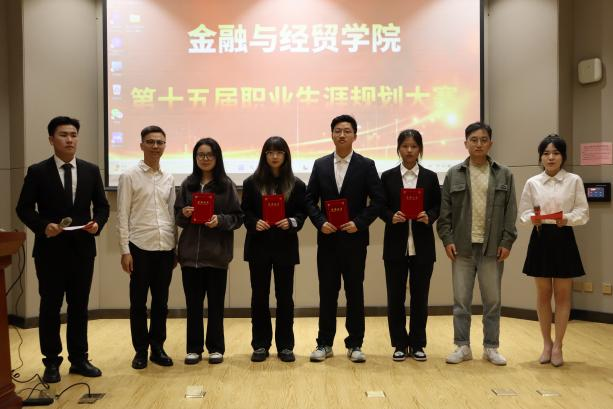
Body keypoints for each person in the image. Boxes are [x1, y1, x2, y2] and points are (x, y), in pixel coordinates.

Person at [16, 116, 110, 383]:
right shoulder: (38, 171)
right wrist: (43, 226)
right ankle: (51, 361)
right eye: (63, 135)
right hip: (50, 251)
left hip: (82, 250)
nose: (70, 140)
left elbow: (102, 206)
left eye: (73, 135)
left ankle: (79, 359)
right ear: (51, 139)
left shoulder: (91, 170)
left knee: (79, 307)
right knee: (50, 307)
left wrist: (97, 223)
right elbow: (24, 208)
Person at [437, 121, 517, 366]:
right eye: (473, 140)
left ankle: (491, 347)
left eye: (483, 140)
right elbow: (444, 214)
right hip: (462, 248)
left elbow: (510, 211)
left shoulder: (504, 173)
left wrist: (507, 241)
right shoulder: (454, 173)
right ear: (465, 143)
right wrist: (447, 239)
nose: (478, 144)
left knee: (492, 302)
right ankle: (462, 347)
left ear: (490, 143)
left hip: (492, 248)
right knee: (461, 302)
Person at [306, 114, 384, 363]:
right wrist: (321, 222)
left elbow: (378, 200)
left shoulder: (366, 165)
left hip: (354, 240)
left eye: (347, 131)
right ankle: (324, 343)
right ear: (331, 134)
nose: (342, 135)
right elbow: (309, 200)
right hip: (328, 240)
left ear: (355, 136)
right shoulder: (320, 165)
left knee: (354, 292)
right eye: (338, 131)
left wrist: (359, 223)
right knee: (327, 292)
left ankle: (355, 344)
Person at [518, 135, 588, 367]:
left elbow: (583, 213)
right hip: (540, 237)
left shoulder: (574, 180)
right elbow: (523, 213)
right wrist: (533, 218)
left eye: (556, 153)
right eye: (546, 153)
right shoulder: (532, 182)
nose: (550, 157)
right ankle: (546, 344)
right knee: (543, 294)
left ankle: (558, 345)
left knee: (563, 295)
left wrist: (566, 218)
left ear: (563, 156)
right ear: (540, 157)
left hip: (564, 236)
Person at [174, 138, 243, 365]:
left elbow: (238, 218)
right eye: (200, 155)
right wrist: (184, 213)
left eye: (209, 155)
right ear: (195, 158)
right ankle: (193, 348)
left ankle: (216, 348)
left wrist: (219, 220)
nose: (205, 159)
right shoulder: (187, 184)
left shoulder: (226, 185)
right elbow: (177, 218)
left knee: (215, 305)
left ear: (217, 158)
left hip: (216, 256)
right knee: (193, 306)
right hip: (190, 257)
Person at [241, 136, 307, 363]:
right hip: (258, 246)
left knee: (285, 298)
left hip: (285, 247)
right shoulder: (251, 183)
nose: (275, 156)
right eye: (270, 152)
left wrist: (292, 222)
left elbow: (302, 214)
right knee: (259, 297)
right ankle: (260, 344)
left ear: (286, 155)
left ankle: (286, 346)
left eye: (279, 152)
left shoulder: (297, 184)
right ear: (264, 155)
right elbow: (245, 212)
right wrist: (254, 222)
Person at [117, 125, 177, 370]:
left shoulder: (169, 177)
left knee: (161, 303)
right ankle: (140, 350)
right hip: (139, 247)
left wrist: (175, 248)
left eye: (160, 142)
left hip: (165, 247)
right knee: (138, 303)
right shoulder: (129, 176)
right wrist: (125, 250)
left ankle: (157, 348)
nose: (155, 146)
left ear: (165, 146)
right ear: (141, 145)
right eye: (150, 142)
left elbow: (171, 215)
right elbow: (122, 214)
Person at [380, 129, 441, 362]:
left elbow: (438, 205)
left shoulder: (430, 177)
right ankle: (398, 343)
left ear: (420, 149)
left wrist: (429, 216)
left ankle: (417, 344)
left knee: (420, 298)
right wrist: (390, 216)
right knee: (395, 297)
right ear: (398, 149)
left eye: (414, 146)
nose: (409, 150)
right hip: (395, 246)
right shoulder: (387, 177)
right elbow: (380, 206)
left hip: (422, 246)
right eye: (405, 146)